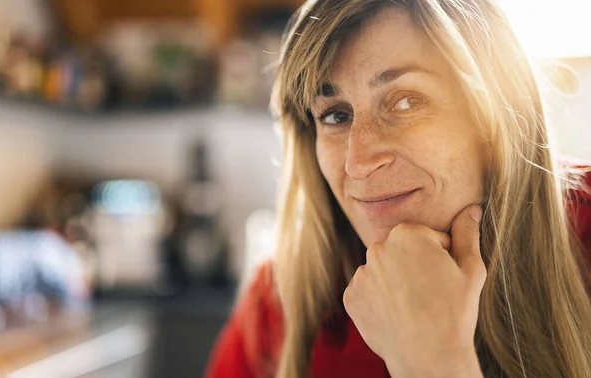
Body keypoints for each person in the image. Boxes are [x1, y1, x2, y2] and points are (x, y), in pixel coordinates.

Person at [205, 0, 591, 377]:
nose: (358, 162)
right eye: (335, 115)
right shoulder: (280, 304)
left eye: (407, 101)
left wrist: (433, 361)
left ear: (496, 118)